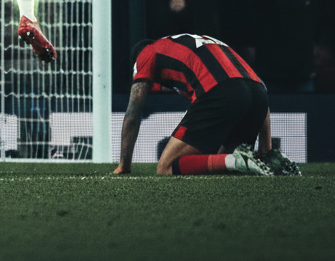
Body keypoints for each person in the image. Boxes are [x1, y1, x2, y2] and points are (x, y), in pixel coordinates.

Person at [114, 33, 299, 177]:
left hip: (222, 92)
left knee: (166, 166)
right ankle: (264, 162)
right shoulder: (195, 45)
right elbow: (258, 87)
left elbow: (133, 112)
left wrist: (124, 165)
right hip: (257, 96)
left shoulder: (147, 52)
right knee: (220, 162)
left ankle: (236, 159)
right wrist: (266, 149)